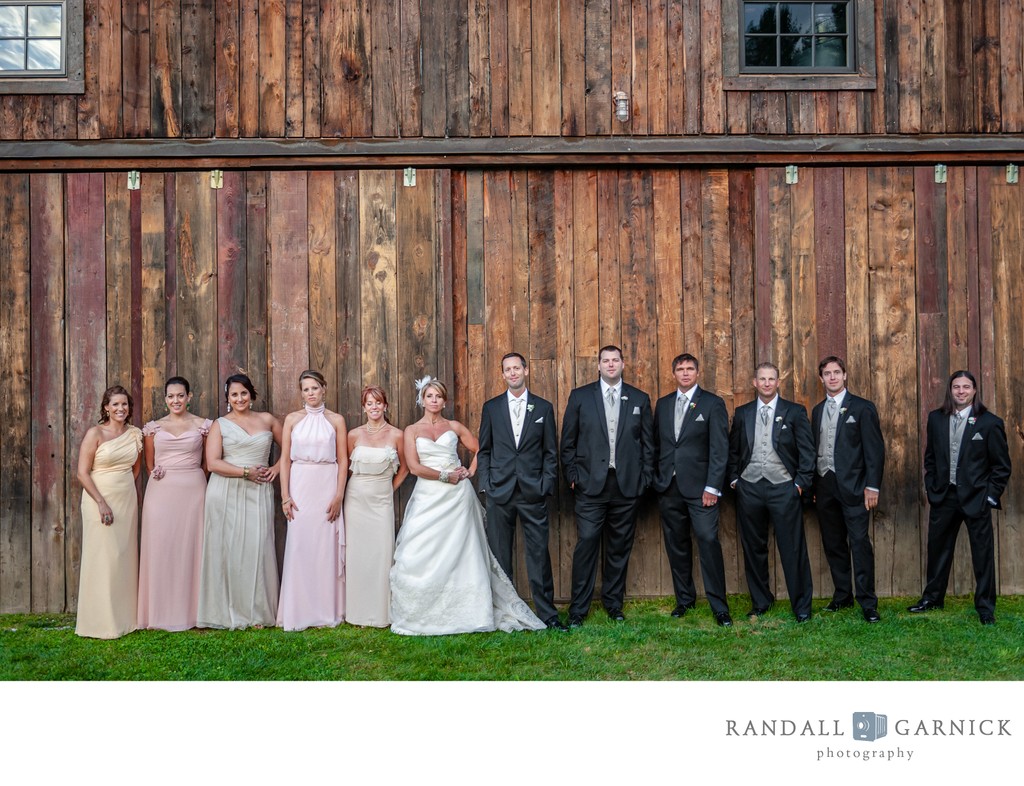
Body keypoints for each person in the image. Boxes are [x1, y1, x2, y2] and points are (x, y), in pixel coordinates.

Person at [389, 377, 545, 635]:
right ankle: (423, 610)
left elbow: (481, 449)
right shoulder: (412, 431)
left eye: (439, 396)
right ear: (422, 400)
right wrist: (443, 476)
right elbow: (414, 467)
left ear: (444, 400)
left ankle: (468, 610)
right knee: (420, 549)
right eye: (430, 396)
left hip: (457, 497)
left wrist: (470, 471)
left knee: (462, 550)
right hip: (428, 496)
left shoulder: (454, 426)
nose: (434, 400)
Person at [560, 345, 653, 626]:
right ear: (598, 365)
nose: (610, 365)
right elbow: (568, 443)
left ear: (623, 364)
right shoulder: (580, 397)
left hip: (627, 486)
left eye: (615, 360)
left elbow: (648, 444)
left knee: (619, 547)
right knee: (587, 543)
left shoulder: (639, 398)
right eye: (605, 361)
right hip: (590, 485)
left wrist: (645, 478)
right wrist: (574, 476)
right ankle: (578, 609)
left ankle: (614, 604)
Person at [911, 370, 1012, 625]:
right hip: (944, 497)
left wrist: (990, 497)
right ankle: (932, 599)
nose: (961, 392)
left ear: (974, 390)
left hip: (976, 498)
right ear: (950, 390)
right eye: (956, 387)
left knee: (982, 555)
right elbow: (930, 459)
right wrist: (931, 488)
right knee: (938, 550)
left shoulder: (989, 422)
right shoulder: (936, 419)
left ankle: (986, 607)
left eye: (966, 387)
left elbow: (1001, 467)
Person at [477, 352, 564, 630]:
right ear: (502, 374)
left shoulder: (543, 408)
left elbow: (551, 452)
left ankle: (548, 615)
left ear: (525, 370)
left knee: (538, 555)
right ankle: (504, 613)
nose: (513, 373)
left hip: (532, 492)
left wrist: (545, 485)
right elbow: (485, 450)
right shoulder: (491, 408)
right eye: (507, 369)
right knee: (500, 557)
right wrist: (487, 484)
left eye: (517, 368)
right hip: (499, 492)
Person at [728, 362, 814, 622]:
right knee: (754, 547)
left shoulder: (795, 412)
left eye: (771, 379)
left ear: (778, 382)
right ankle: (761, 601)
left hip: (783, 488)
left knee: (793, 547)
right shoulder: (742, 413)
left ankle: (801, 607)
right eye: (762, 379)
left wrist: (799, 484)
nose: (766, 383)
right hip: (750, 487)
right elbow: (733, 450)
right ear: (755, 383)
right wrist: (735, 480)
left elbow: (808, 453)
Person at [652, 353, 732, 626]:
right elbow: (656, 445)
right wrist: (657, 479)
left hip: (702, 490)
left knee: (708, 541)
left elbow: (720, 450)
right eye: (680, 369)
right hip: (669, 487)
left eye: (690, 369)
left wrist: (713, 487)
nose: (685, 373)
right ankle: (684, 599)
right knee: (677, 545)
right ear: (673, 373)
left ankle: (719, 606)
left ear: (697, 373)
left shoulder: (712, 404)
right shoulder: (662, 405)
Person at [197, 373, 282, 629]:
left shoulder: (267, 420)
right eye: (234, 394)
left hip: (258, 491)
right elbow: (213, 463)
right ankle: (224, 612)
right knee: (228, 550)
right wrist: (246, 472)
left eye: (243, 393)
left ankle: (257, 613)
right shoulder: (220, 425)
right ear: (228, 398)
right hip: (225, 491)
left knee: (258, 547)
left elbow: (291, 446)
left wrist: (276, 468)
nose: (239, 398)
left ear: (251, 394)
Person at [811, 357, 885, 623]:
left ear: (845, 375)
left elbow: (874, 450)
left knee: (859, 543)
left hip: (855, 488)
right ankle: (843, 595)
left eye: (836, 373)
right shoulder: (817, 411)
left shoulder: (863, 408)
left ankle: (868, 602)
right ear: (821, 379)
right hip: (825, 486)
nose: (832, 377)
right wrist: (815, 486)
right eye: (827, 374)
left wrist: (872, 486)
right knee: (833, 544)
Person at [138, 376, 212, 631]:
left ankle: (194, 612)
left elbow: (208, 462)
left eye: (180, 395)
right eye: (171, 396)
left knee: (193, 547)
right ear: (165, 399)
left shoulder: (204, 426)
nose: (175, 400)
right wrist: (155, 472)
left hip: (193, 489)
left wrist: (195, 474)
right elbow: (149, 463)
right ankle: (160, 612)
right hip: (162, 492)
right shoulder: (153, 428)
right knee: (162, 547)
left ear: (189, 397)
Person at [276, 370, 348, 631]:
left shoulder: (336, 420)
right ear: (301, 393)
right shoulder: (292, 420)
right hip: (300, 483)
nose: (310, 393)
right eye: (305, 389)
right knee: (300, 544)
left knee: (324, 546)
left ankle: (326, 610)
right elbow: (285, 459)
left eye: (314, 388)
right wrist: (285, 495)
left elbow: (343, 460)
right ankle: (299, 610)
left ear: (324, 389)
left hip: (326, 482)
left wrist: (338, 495)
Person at [75, 385, 143, 639]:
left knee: (123, 555)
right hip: (97, 498)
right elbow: (82, 473)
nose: (120, 409)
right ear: (106, 407)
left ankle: (125, 618)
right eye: (115, 404)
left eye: (124, 404)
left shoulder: (135, 434)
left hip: (126, 498)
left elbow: (136, 469)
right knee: (102, 557)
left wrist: (124, 489)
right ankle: (98, 622)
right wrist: (102, 502)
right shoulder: (95, 433)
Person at [344, 385, 408, 627]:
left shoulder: (397, 434)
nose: (374, 407)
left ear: (385, 406)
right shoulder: (353, 435)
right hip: (356, 498)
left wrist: (390, 487)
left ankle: (380, 612)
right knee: (357, 554)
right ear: (364, 407)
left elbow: (406, 467)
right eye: (369, 403)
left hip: (382, 499)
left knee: (381, 553)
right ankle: (357, 611)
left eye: (378, 403)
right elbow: (346, 463)